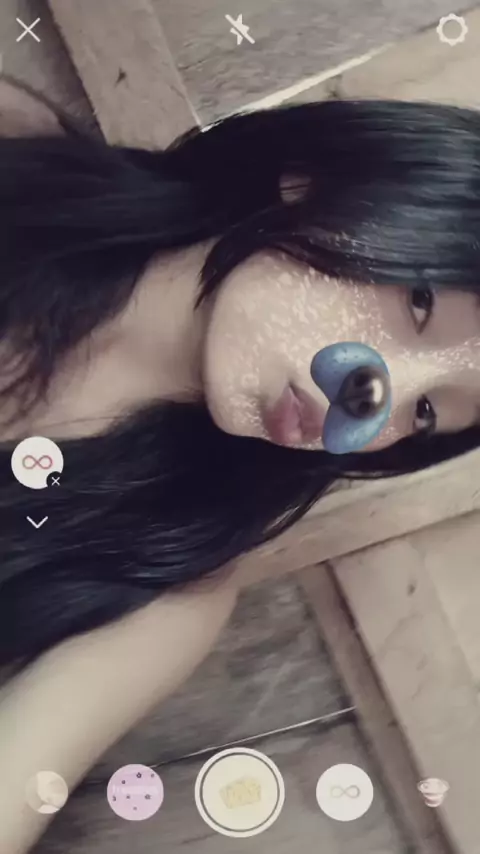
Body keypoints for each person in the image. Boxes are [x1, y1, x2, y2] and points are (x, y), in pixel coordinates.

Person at [0, 75, 479, 852]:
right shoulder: (15, 144)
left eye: (426, 412)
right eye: (418, 302)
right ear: (314, 182)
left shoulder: (166, 592)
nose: (376, 400)